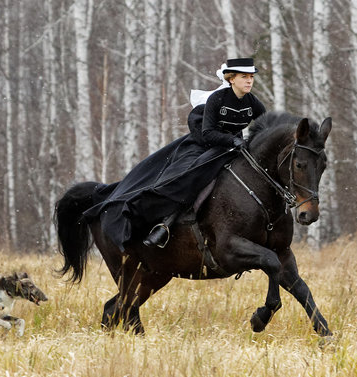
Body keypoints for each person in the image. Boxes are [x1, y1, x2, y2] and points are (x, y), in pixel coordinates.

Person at [85, 57, 267, 252]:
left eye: (251, 77)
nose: (249, 81)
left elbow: (265, 125)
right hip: (202, 146)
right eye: (244, 77)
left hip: (233, 147)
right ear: (231, 79)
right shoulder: (217, 99)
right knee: (188, 178)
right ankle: (164, 224)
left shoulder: (252, 102)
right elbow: (207, 133)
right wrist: (233, 140)